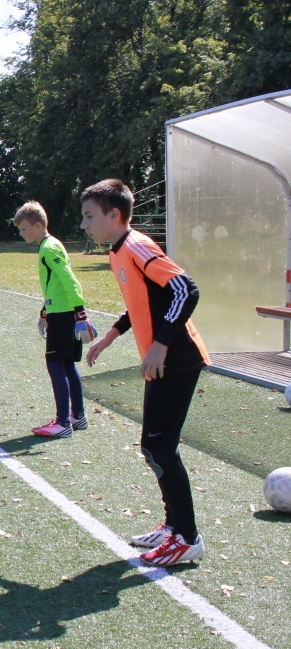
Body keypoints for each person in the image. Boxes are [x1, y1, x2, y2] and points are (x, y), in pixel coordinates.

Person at [82, 179, 210, 566]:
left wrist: (160, 345)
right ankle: (174, 528)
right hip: (162, 360)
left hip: (178, 359)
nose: (84, 225)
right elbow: (142, 302)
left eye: (89, 216)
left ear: (114, 215)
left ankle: (188, 538)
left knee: (159, 447)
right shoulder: (118, 252)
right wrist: (109, 337)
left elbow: (185, 290)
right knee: (154, 446)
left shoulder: (137, 245)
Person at [14, 201, 96, 438]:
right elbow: (56, 285)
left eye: (24, 229)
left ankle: (62, 423)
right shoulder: (52, 244)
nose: (22, 234)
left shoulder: (48, 248)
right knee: (67, 364)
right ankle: (78, 416)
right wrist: (45, 309)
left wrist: (80, 312)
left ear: (38, 225)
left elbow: (69, 279)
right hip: (60, 311)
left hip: (64, 316)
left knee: (55, 364)